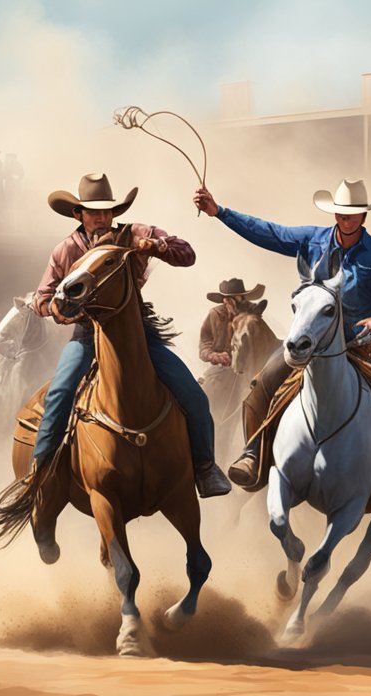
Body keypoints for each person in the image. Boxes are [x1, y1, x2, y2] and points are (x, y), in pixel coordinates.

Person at [193, 179, 371, 510]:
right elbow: (269, 232)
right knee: (262, 382)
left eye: (351, 215)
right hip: (310, 339)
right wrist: (220, 212)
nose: (344, 219)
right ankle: (253, 453)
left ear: (364, 217)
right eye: (340, 213)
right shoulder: (313, 239)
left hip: (360, 343)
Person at [30, 172, 232, 498]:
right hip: (86, 335)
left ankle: (205, 468)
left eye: (108, 210)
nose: (102, 217)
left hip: (137, 331)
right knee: (59, 394)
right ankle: (41, 474)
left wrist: (156, 245)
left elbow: (186, 253)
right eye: (94, 211)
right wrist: (56, 309)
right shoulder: (65, 251)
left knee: (194, 395)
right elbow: (42, 297)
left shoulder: (134, 234)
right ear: (77, 214)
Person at [199, 278, 265, 367]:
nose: (228, 302)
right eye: (226, 298)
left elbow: (262, 343)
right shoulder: (215, 314)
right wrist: (214, 356)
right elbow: (204, 344)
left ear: (242, 298)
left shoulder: (252, 313)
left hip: (249, 366)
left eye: (234, 298)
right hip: (221, 369)